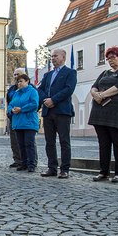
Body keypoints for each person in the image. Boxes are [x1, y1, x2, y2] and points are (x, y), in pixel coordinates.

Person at [88, 46, 118, 183]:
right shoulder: (104, 73)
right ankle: (104, 172)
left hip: (116, 112)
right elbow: (94, 86)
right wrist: (95, 94)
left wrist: (102, 94)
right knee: (104, 143)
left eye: (112, 57)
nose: (110, 61)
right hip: (100, 112)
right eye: (108, 58)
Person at [37, 48, 77, 178]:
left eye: (55, 56)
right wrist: (45, 100)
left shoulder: (70, 73)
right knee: (50, 142)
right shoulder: (47, 75)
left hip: (62, 111)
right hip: (48, 112)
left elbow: (68, 89)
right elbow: (40, 89)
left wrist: (53, 100)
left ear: (63, 57)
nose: (53, 58)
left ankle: (64, 169)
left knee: (64, 141)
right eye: (52, 56)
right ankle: (52, 167)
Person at [8, 73, 39, 172]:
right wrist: (12, 110)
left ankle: (31, 164)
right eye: (18, 81)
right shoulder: (16, 93)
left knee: (29, 144)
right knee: (20, 144)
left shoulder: (32, 91)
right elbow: (10, 104)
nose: (19, 83)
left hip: (29, 122)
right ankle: (23, 163)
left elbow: (34, 104)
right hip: (18, 122)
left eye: (21, 81)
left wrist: (21, 109)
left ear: (27, 81)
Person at [6, 68, 26, 168]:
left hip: (24, 118)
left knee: (25, 141)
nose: (15, 76)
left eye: (17, 74)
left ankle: (27, 161)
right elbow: (9, 102)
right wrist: (9, 112)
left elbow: (34, 103)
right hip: (13, 117)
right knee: (14, 141)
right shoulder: (11, 89)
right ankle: (17, 160)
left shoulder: (28, 88)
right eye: (14, 74)